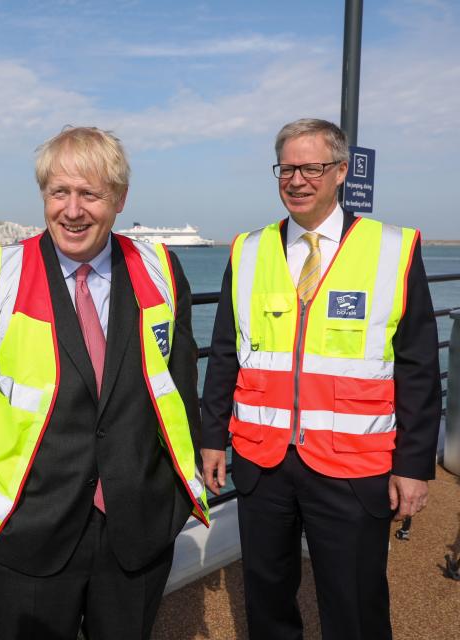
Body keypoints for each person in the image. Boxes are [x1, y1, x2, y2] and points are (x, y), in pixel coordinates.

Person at [0, 126, 209, 640]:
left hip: (138, 528)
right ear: (44, 195)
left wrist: (173, 500)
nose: (72, 210)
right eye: (59, 192)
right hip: (24, 533)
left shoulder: (162, 270)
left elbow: (180, 387)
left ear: (120, 199)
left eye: (90, 194)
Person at [201, 118, 441, 640]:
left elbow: (419, 368)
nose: (297, 179)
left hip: (353, 466)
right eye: (286, 168)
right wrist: (212, 437)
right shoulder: (248, 250)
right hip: (263, 460)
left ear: (340, 172)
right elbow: (225, 352)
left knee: (355, 600)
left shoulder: (393, 249)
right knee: (266, 594)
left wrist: (414, 466)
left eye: (312, 167)